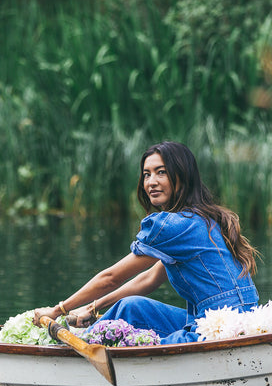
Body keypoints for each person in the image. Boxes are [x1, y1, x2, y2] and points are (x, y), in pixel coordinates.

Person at [22, 140, 259, 345]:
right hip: (240, 320)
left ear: (182, 177)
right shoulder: (201, 218)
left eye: (161, 172)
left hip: (221, 332)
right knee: (131, 307)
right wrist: (93, 308)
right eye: (147, 174)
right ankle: (84, 337)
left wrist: (57, 310)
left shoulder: (174, 225)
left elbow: (111, 278)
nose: (151, 182)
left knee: (124, 337)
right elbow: (149, 278)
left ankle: (75, 347)